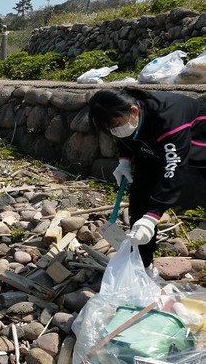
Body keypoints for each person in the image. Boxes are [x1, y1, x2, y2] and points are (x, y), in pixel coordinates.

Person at [88, 88, 206, 267]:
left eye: (115, 126)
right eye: (109, 129)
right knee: (139, 202)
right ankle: (140, 264)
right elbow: (126, 138)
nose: (115, 131)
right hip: (151, 152)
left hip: (198, 148)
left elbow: (173, 168)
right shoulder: (125, 113)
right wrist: (124, 161)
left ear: (134, 111)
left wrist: (153, 216)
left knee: (149, 213)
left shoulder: (168, 117)